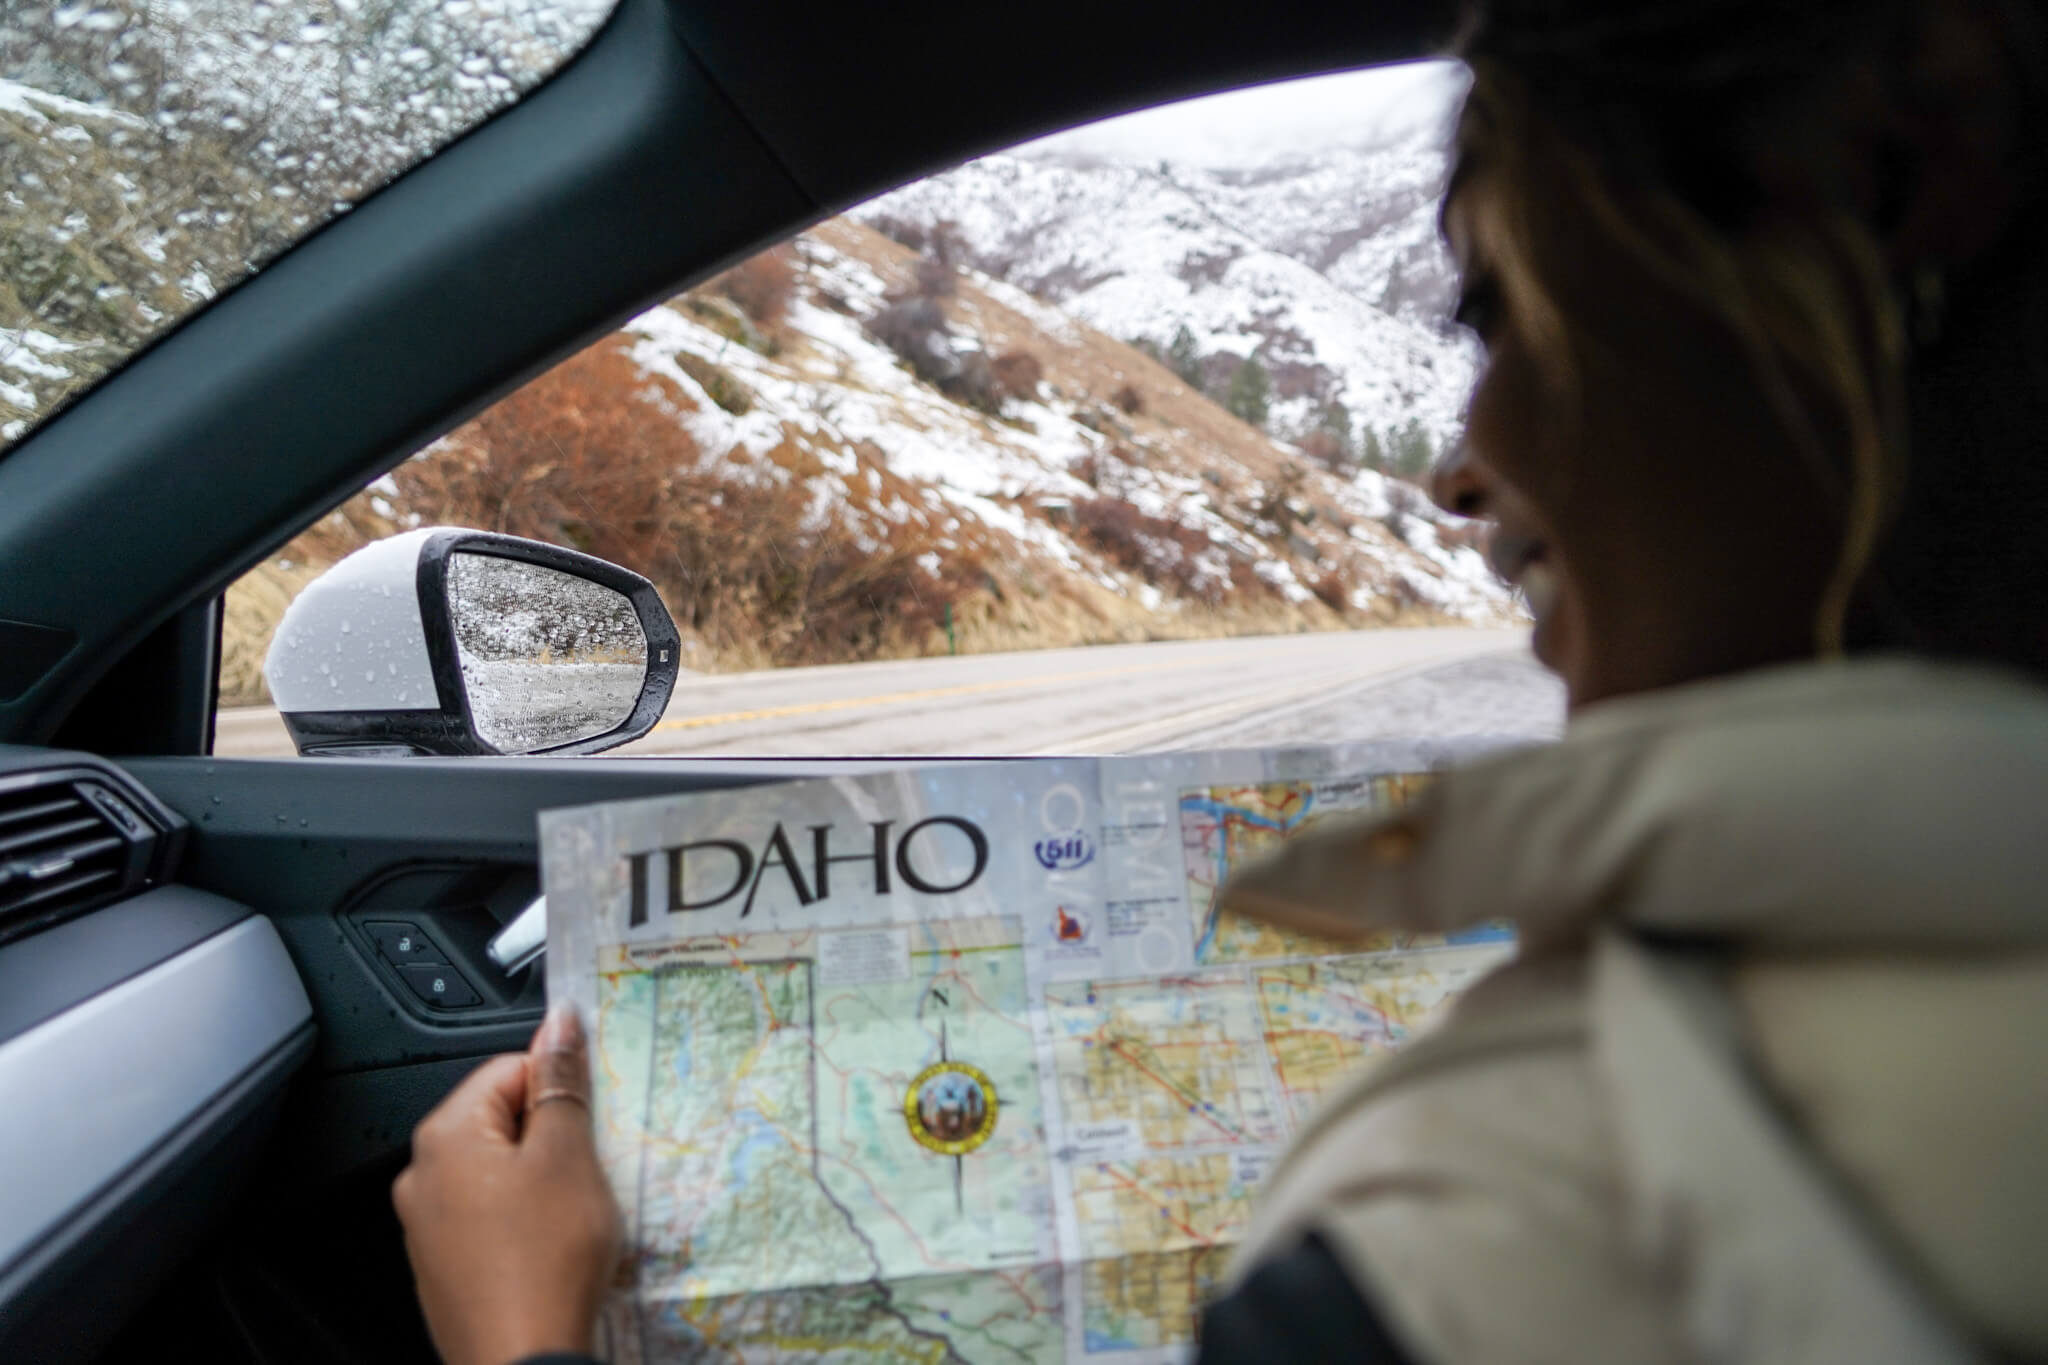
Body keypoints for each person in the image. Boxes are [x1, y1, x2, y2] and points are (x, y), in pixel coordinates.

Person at [393, 0, 2048, 1360]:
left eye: (1504, 310)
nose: (1468, 471)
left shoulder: (1527, 1238)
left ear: (1889, 187)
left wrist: (522, 1339)